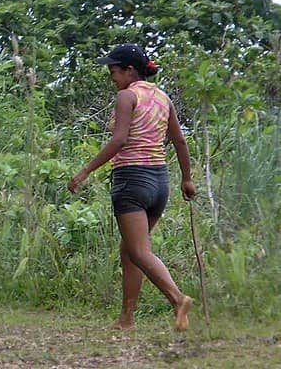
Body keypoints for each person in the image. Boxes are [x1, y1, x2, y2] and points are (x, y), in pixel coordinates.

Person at [68, 43, 197, 332]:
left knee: (138, 251)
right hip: (159, 182)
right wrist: (186, 179)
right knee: (130, 251)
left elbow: (119, 140)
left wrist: (84, 171)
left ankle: (178, 299)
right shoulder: (163, 98)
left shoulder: (127, 96)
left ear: (130, 70)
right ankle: (126, 319)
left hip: (131, 180)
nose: (112, 78)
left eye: (114, 71)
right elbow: (179, 141)